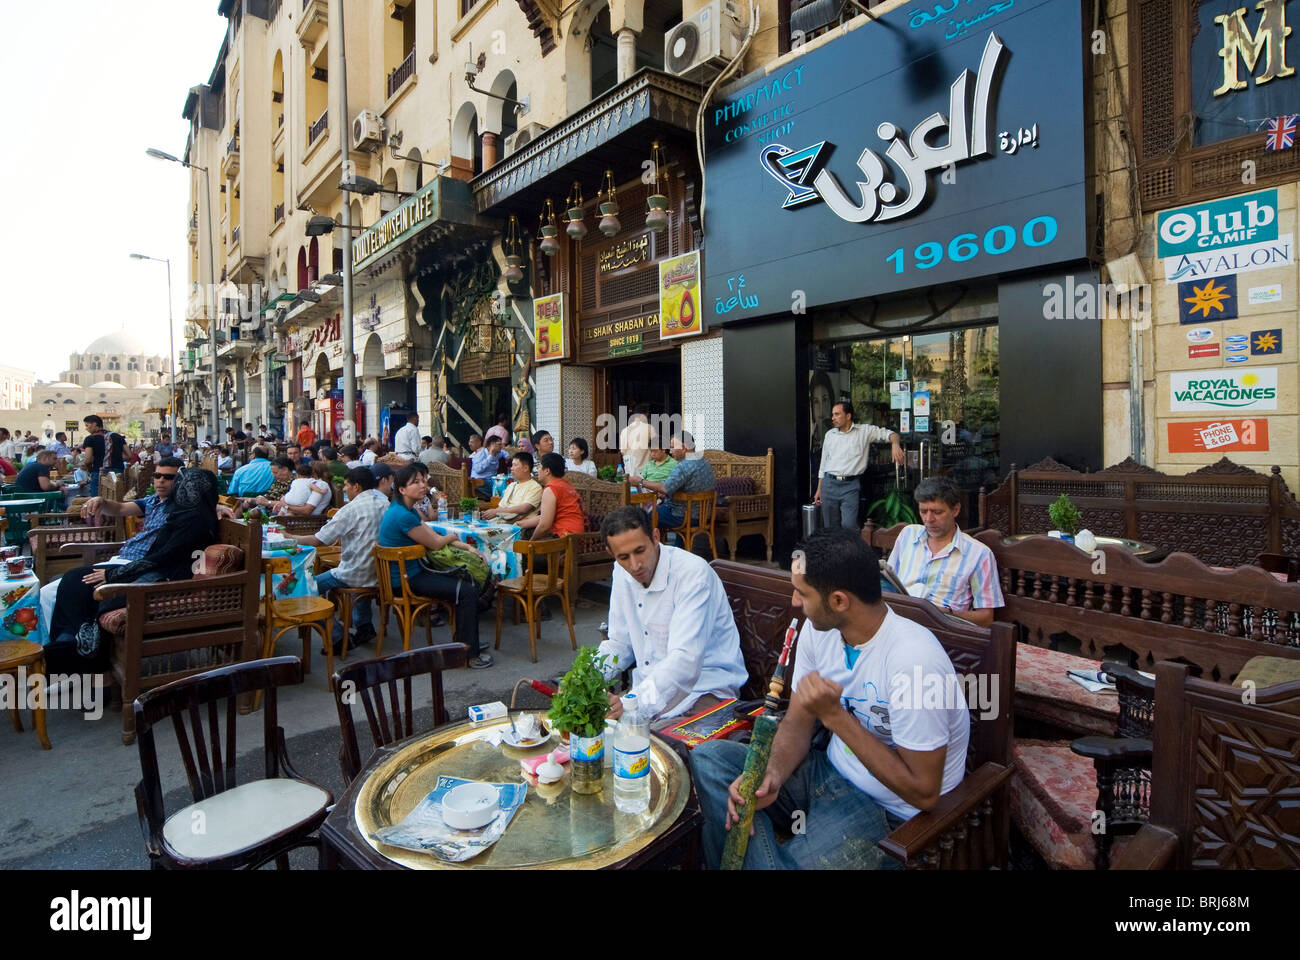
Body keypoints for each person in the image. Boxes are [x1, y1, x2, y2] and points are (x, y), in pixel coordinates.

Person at [690, 530, 971, 870]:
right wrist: (774, 775)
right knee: (710, 758)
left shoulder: (914, 662)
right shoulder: (819, 630)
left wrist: (837, 718)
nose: (795, 601)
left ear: (838, 601)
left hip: (886, 808)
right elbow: (796, 722)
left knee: (724, 836)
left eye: (802, 593)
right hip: (825, 770)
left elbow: (924, 793)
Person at [44, 466, 216, 674]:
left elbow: (163, 558)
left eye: (176, 481)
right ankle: (71, 650)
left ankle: (82, 661)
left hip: (164, 581)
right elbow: (155, 552)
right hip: (152, 571)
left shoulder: (193, 520)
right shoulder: (184, 514)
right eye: (157, 475)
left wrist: (114, 575)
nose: (174, 487)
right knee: (74, 582)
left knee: (82, 583)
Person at [596, 506, 747, 726]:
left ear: (656, 537)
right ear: (612, 554)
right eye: (623, 557)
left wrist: (630, 703)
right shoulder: (621, 572)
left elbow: (685, 661)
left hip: (704, 689)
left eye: (640, 551)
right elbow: (619, 643)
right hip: (647, 689)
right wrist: (583, 679)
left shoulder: (692, 573)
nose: (634, 564)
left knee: (645, 750)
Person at [378, 464, 493, 668]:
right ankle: (469, 654)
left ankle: (465, 643)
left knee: (465, 585)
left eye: (423, 480)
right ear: (402, 489)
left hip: (412, 573)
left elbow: (433, 535)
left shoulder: (404, 508)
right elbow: (436, 543)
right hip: (407, 580)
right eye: (416, 482)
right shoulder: (403, 515)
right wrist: (453, 537)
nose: (423, 485)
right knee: (467, 590)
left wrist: (466, 546)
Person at [886, 477, 1003, 628]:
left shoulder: (979, 554)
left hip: (945, 632)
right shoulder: (908, 535)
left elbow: (986, 618)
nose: (929, 519)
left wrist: (945, 613)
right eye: (923, 511)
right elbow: (887, 585)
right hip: (900, 624)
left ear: (956, 510)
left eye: (937, 512)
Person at [295, 466, 388, 654]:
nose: (344, 489)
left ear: (357, 487)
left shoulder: (351, 509)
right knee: (358, 563)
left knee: (303, 588)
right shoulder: (385, 502)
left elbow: (319, 540)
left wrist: (289, 536)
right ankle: (364, 626)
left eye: (346, 485)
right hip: (381, 572)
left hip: (354, 573)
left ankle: (337, 636)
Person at [814, 399, 905, 533]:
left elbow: (892, 435)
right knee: (831, 529)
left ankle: (852, 553)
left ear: (848, 416)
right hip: (829, 484)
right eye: (833, 415)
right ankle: (834, 554)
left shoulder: (864, 431)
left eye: (837, 414)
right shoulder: (830, 435)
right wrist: (819, 489)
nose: (833, 418)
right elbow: (823, 464)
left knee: (849, 526)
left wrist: (895, 445)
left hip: (850, 487)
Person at [630, 431, 715, 535]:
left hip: (683, 516)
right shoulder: (704, 462)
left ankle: (648, 549)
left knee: (643, 515)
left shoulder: (684, 466)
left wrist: (640, 481)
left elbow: (665, 487)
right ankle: (676, 547)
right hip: (704, 515)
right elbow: (686, 488)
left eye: (672, 447)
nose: (670, 451)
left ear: (683, 447)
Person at [517, 453, 585, 539]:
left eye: (539, 467)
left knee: (523, 540)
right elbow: (546, 516)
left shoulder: (551, 489)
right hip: (576, 535)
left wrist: (530, 544)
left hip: (565, 536)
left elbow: (544, 526)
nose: (537, 470)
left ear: (547, 471)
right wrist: (522, 523)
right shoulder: (565, 485)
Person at [482, 452, 542, 522]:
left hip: (520, 525)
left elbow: (524, 508)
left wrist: (497, 512)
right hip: (503, 522)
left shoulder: (535, 487)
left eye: (515, 465)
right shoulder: (511, 485)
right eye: (512, 465)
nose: (511, 468)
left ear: (525, 468)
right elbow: (501, 506)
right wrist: (491, 513)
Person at [620, 405, 654, 480]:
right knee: (646, 491)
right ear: (645, 415)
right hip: (646, 470)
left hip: (630, 471)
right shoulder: (649, 428)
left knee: (632, 491)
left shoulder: (624, 430)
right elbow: (656, 447)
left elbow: (623, 452)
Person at [470, 435, 505, 499]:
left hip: (491, 480)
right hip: (480, 481)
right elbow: (478, 470)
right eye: (499, 444)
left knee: (505, 483)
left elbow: (504, 452)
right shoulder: (481, 454)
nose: (501, 447)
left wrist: (507, 456)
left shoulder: (498, 453)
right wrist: (490, 456)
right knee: (500, 487)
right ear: (492, 444)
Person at [81, 415, 107, 498]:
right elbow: (127, 455)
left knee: (96, 499)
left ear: (95, 424)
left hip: (97, 471)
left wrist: (88, 468)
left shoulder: (90, 439)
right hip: (114, 471)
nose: (86, 428)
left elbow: (88, 460)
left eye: (87, 425)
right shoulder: (112, 437)